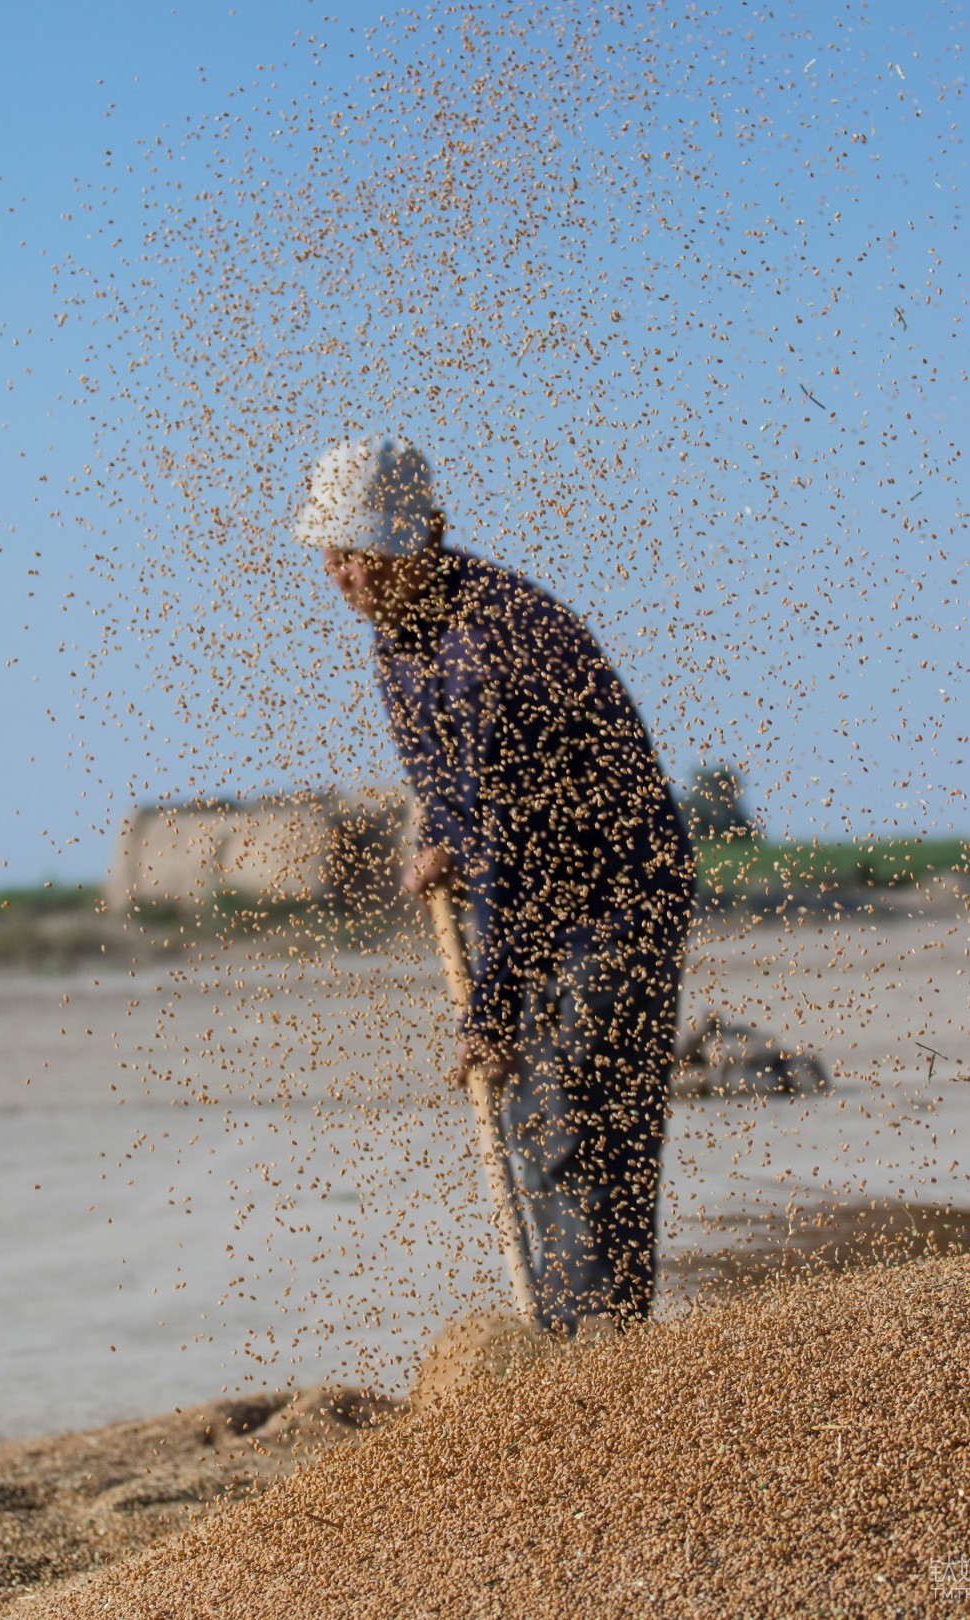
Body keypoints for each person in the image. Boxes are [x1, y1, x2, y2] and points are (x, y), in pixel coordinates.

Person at [296, 433, 695, 1334]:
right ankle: (585, 1343)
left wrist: (490, 1015)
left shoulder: (492, 647)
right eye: (334, 556)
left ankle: (594, 1360)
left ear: (421, 540)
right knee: (541, 1123)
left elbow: (527, 858)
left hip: (611, 907)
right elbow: (460, 787)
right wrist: (441, 835)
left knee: (576, 1132)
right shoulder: (404, 631)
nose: (345, 578)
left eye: (362, 555)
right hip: (534, 894)